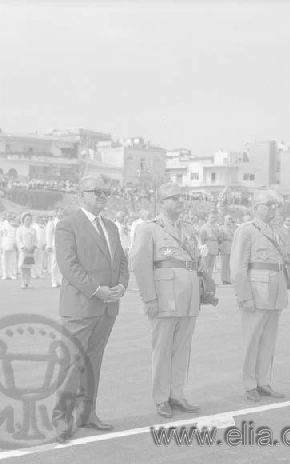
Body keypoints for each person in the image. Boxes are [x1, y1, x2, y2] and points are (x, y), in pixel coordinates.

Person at [52, 175, 129, 443]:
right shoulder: (67, 225)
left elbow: (121, 261)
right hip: (81, 306)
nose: (102, 197)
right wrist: (97, 290)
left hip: (107, 308)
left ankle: (87, 413)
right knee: (73, 364)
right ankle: (62, 417)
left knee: (94, 363)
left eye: (106, 193)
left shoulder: (111, 227)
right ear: (81, 194)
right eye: (97, 192)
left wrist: (121, 285)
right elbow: (69, 266)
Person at [130, 182, 200, 418]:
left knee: (182, 349)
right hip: (164, 297)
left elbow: (195, 263)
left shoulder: (189, 229)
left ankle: (177, 394)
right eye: (174, 198)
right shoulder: (149, 229)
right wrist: (149, 298)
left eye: (182, 198)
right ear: (161, 202)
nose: (180, 202)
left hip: (189, 298)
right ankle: (161, 398)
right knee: (162, 350)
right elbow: (140, 265)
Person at [230, 189, 288, 402]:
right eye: (268, 205)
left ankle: (264, 382)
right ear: (255, 207)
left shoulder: (276, 231)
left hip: (275, 292)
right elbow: (238, 266)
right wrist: (244, 295)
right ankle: (250, 384)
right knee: (252, 340)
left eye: (275, 205)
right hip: (256, 292)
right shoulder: (246, 230)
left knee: (268, 342)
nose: (273, 208)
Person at [16, 212, 37, 289]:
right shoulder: (20, 229)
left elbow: (35, 240)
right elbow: (18, 240)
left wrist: (33, 248)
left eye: (30, 219)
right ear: (23, 220)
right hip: (23, 251)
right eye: (27, 219)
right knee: (22, 267)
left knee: (28, 267)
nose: (28, 221)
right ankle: (23, 282)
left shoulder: (33, 229)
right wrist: (23, 248)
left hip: (31, 251)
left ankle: (28, 282)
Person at [219, 215, 236, 284]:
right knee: (224, 264)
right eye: (228, 219)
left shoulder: (232, 228)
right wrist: (220, 247)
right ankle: (224, 279)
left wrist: (233, 226)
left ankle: (229, 279)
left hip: (231, 247)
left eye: (230, 219)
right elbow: (220, 239)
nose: (230, 220)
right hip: (225, 247)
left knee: (230, 265)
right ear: (225, 220)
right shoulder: (222, 228)